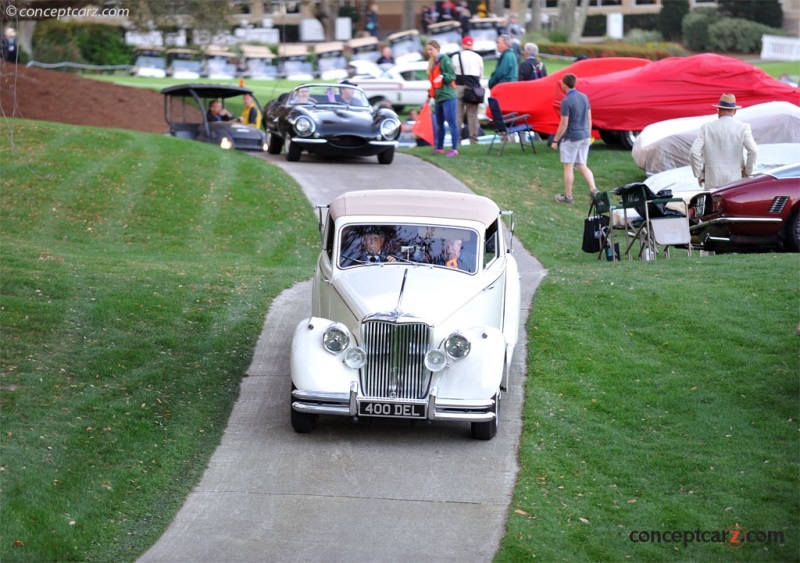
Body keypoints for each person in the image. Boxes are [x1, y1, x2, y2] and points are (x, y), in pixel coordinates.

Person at [690, 93, 758, 191]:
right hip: (735, 181)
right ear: (734, 111)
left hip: (711, 180)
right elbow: (754, 150)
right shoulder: (743, 128)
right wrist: (748, 172)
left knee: (712, 206)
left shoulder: (706, 127)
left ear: (718, 110)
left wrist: (699, 174)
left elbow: (693, 152)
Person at [550, 73, 598, 204]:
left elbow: (564, 123)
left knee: (568, 166)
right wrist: (588, 134)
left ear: (564, 84)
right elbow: (589, 118)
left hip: (572, 137)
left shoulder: (566, 101)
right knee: (582, 165)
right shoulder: (584, 97)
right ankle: (594, 191)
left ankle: (568, 196)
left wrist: (555, 140)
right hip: (585, 136)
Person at [426, 39, 459, 157]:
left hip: (448, 96)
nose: (429, 52)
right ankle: (439, 147)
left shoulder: (444, 60)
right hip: (438, 97)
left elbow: (452, 76)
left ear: (437, 49)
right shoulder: (432, 62)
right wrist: (429, 96)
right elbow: (433, 83)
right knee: (439, 123)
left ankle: (454, 148)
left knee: (451, 122)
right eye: (428, 49)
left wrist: (442, 77)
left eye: (431, 49)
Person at [452, 35, 484, 145]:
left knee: (458, 115)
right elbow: (481, 74)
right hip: (474, 88)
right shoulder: (478, 58)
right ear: (472, 45)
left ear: (462, 44)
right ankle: (473, 139)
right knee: (473, 115)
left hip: (459, 86)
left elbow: (452, 73)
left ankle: (457, 139)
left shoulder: (456, 57)